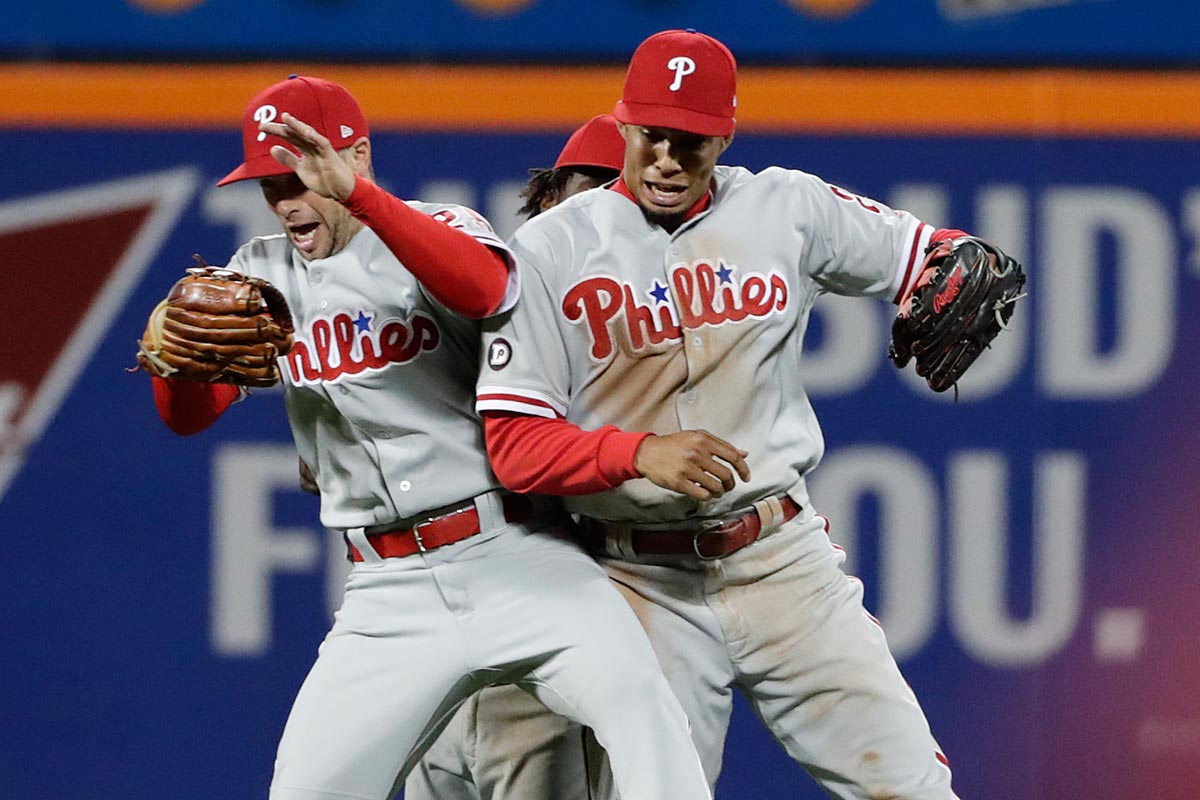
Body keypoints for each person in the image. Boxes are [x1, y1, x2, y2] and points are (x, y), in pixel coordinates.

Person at [143, 74, 712, 800]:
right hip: (389, 592)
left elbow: (487, 289)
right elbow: (189, 417)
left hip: (516, 556)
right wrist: (174, 367)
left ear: (356, 155)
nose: (286, 199)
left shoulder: (438, 227)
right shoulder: (258, 276)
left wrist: (358, 198)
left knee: (642, 707)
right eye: (270, 183)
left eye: (301, 175)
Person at [474, 30, 984, 799]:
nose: (666, 159)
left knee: (911, 788)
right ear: (623, 123)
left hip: (782, 563)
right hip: (638, 579)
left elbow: (929, 254)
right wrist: (636, 453)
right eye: (650, 136)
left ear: (725, 137)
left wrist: (961, 260)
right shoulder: (550, 250)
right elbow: (513, 446)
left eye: (690, 140)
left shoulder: (786, 206)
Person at [404, 112, 624, 800]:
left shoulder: (644, 347)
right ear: (549, 198)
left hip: (539, 669)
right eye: (589, 193)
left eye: (623, 200)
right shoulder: (470, 306)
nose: (604, 215)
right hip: (429, 655)